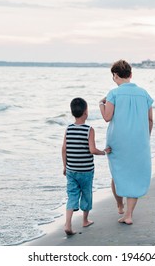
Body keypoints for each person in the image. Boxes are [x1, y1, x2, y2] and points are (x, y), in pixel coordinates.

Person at [99, 60, 153, 225]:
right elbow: (150, 120)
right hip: (139, 141)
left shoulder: (113, 94)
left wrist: (101, 104)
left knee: (118, 173)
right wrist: (146, 137)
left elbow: (107, 117)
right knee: (135, 175)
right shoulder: (144, 94)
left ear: (115, 75)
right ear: (130, 75)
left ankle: (119, 205)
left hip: (118, 142)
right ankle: (128, 214)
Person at [62, 97, 111, 235]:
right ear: (86, 112)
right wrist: (103, 152)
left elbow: (64, 148)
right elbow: (92, 150)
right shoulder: (89, 129)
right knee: (86, 194)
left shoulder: (68, 129)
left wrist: (65, 166)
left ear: (72, 113)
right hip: (86, 171)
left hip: (71, 169)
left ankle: (67, 223)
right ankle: (85, 220)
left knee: (72, 195)